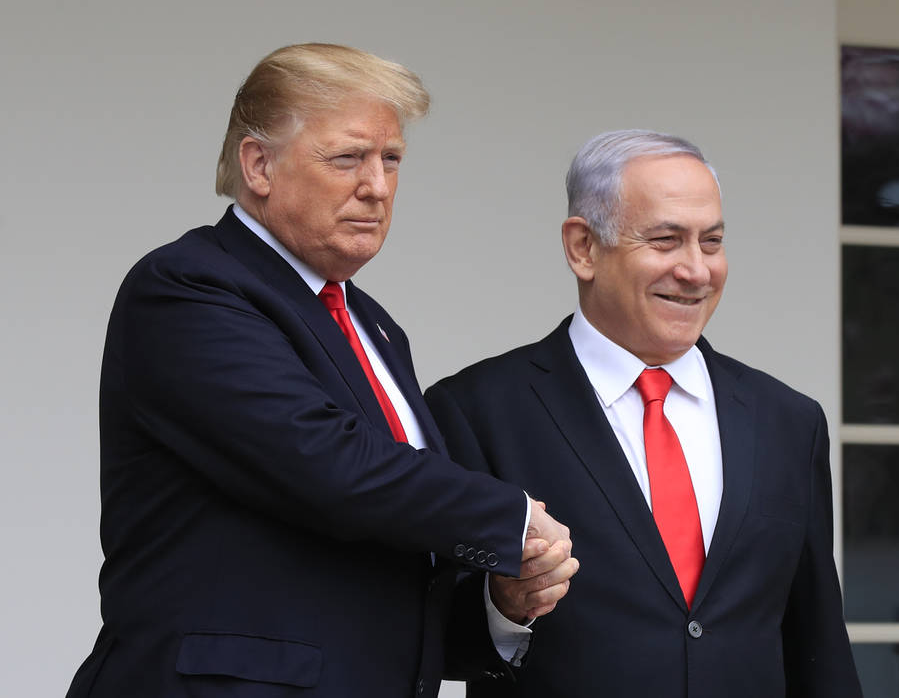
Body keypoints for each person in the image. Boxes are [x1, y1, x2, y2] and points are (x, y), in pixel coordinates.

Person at [65, 43, 576, 698]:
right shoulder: (188, 288)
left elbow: (381, 569)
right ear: (259, 164)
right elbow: (328, 463)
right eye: (347, 158)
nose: (378, 185)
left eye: (391, 159)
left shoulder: (374, 326)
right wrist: (508, 518)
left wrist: (500, 602)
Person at [425, 130, 864, 697]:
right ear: (583, 247)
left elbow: (817, 643)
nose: (696, 271)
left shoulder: (788, 421)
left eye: (712, 242)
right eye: (665, 240)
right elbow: (424, 633)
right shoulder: (474, 410)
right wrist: (505, 605)